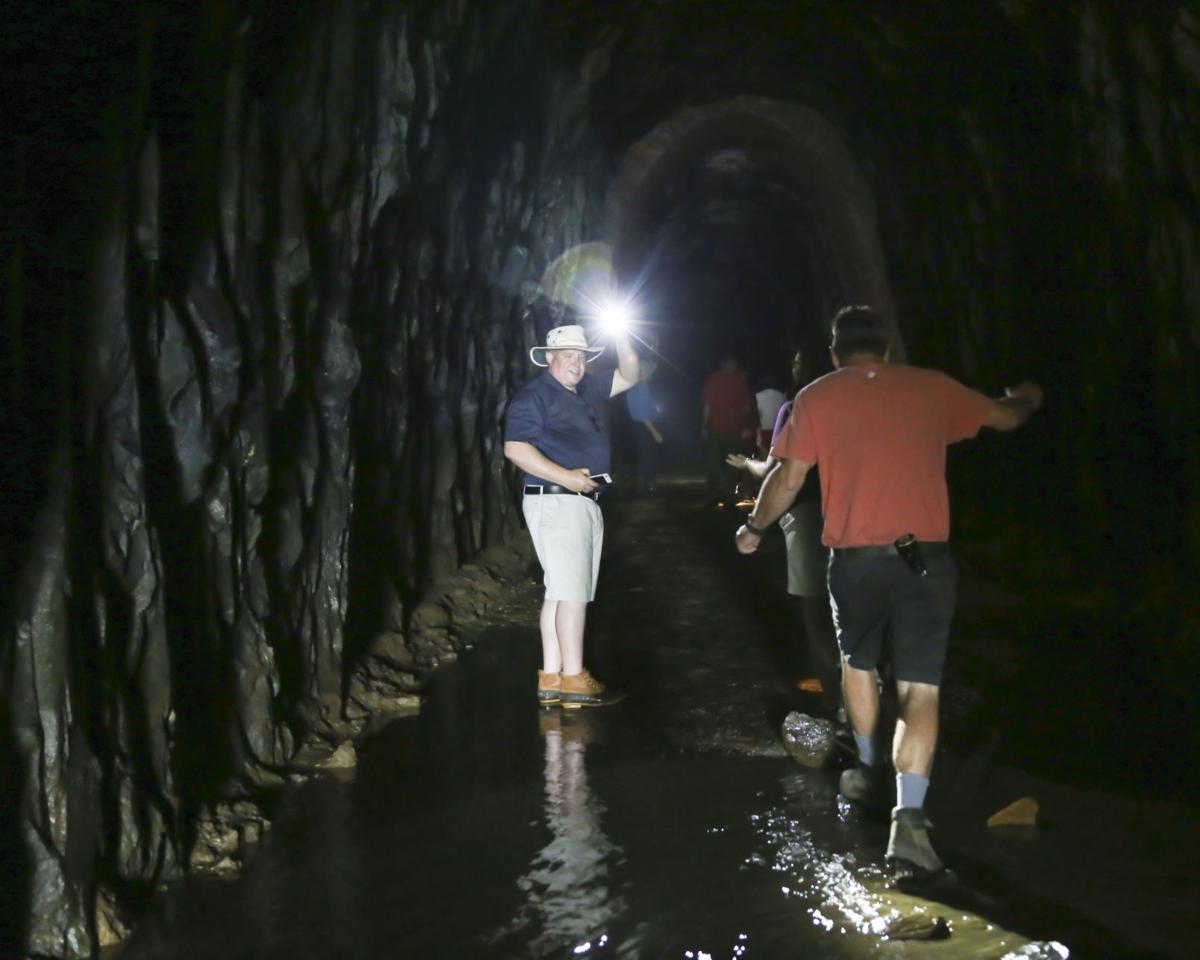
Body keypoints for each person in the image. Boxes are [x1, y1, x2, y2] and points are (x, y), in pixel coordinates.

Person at [734, 305, 1043, 878]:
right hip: (925, 559)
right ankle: (909, 817)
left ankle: (868, 766)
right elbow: (1005, 418)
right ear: (889, 348)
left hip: (855, 563)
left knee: (858, 666)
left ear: (834, 351)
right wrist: (1026, 396)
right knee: (921, 690)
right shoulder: (931, 388)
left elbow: (788, 478)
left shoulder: (818, 397)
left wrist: (753, 529)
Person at [504, 320, 639, 708]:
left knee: (560, 592)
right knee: (574, 593)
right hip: (559, 498)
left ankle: (552, 676)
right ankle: (574, 678)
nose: (576, 364)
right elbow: (515, 448)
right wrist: (568, 478)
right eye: (567, 356)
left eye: (581, 357)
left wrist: (621, 331)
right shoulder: (535, 396)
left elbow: (630, 373)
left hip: (576, 499)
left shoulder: (587, 390)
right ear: (549, 358)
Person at [727, 351, 840, 718]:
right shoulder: (861, 404)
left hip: (809, 515)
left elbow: (782, 474)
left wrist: (754, 526)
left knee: (818, 616)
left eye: (796, 361)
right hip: (862, 512)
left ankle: (838, 706)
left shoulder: (797, 407)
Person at [700, 354, 752, 505]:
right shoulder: (739, 382)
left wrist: (704, 426)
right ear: (733, 365)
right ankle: (728, 497)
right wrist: (745, 426)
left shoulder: (712, 380)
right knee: (732, 465)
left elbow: (707, 406)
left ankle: (713, 496)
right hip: (733, 430)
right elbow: (746, 408)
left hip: (716, 429)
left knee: (713, 464)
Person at [624, 360, 664, 495]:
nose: (651, 374)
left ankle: (643, 488)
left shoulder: (635, 387)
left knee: (643, 457)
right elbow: (641, 414)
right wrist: (654, 432)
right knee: (647, 458)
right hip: (644, 426)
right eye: (648, 371)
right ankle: (646, 488)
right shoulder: (641, 387)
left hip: (638, 426)